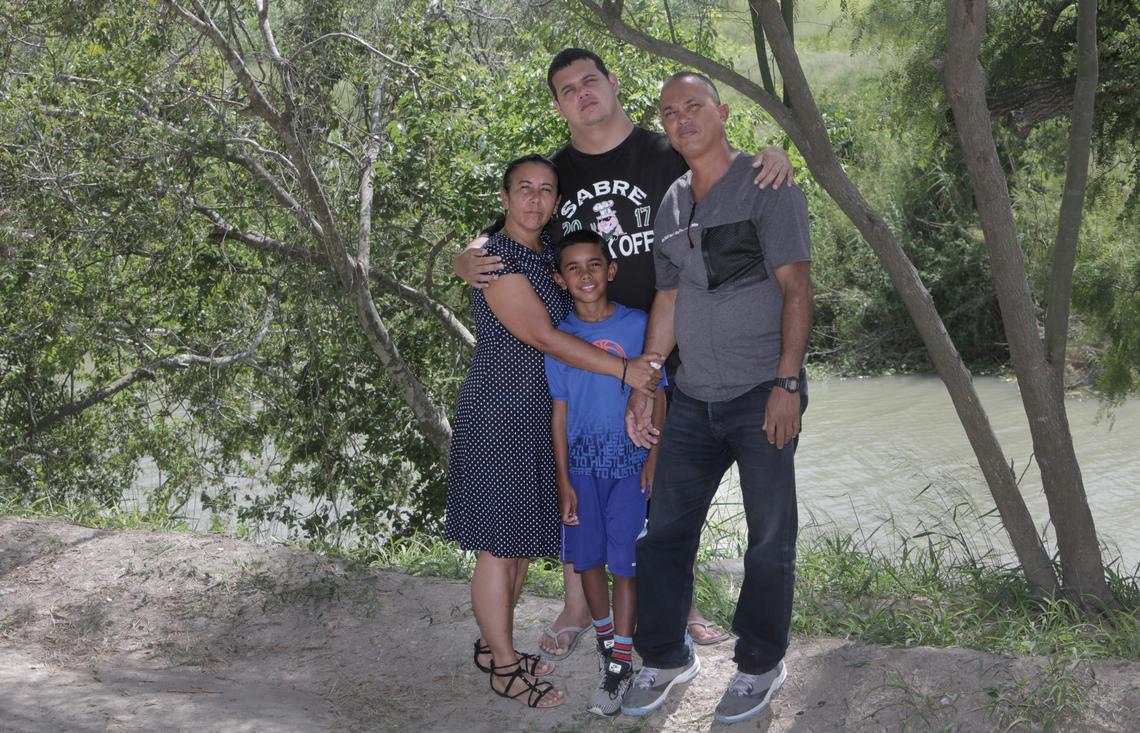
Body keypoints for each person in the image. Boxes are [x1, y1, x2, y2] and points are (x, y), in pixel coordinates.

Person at [454, 47, 795, 658]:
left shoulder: (666, 151)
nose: (582, 94)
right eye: (567, 90)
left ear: (613, 83)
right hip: (586, 354)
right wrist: (466, 254)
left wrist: (773, 155)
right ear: (558, 105)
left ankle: (680, 605)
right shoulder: (555, 175)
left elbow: (725, 167)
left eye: (591, 81)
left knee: (662, 485)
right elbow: (509, 234)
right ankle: (578, 604)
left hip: (667, 348)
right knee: (583, 474)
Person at [620, 72, 812, 724]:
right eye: (669, 112)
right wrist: (648, 378)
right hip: (693, 398)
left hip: (762, 393)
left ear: (723, 113)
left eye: (694, 106)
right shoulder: (671, 203)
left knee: (769, 539)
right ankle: (665, 656)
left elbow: (797, 289)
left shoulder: (767, 183)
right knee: (662, 534)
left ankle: (759, 663)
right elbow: (669, 297)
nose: (682, 119)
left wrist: (787, 384)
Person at [445, 154, 662, 710]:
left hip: (540, 415)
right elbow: (542, 335)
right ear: (505, 197)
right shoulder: (496, 258)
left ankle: (495, 648)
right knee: (498, 547)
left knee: (516, 542)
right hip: (500, 413)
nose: (535, 199)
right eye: (524, 188)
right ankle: (504, 668)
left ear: (556, 201)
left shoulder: (545, 251)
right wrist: (623, 369)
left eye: (546, 190)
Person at [543, 230, 666, 716]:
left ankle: (621, 661)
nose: (586, 275)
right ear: (560, 279)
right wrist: (563, 481)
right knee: (589, 560)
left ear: (610, 270)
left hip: (630, 465)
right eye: (573, 268)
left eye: (594, 264)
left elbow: (659, 392)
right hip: (582, 468)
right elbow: (559, 414)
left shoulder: (639, 325)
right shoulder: (559, 340)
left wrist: (654, 457)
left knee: (625, 562)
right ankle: (606, 643)